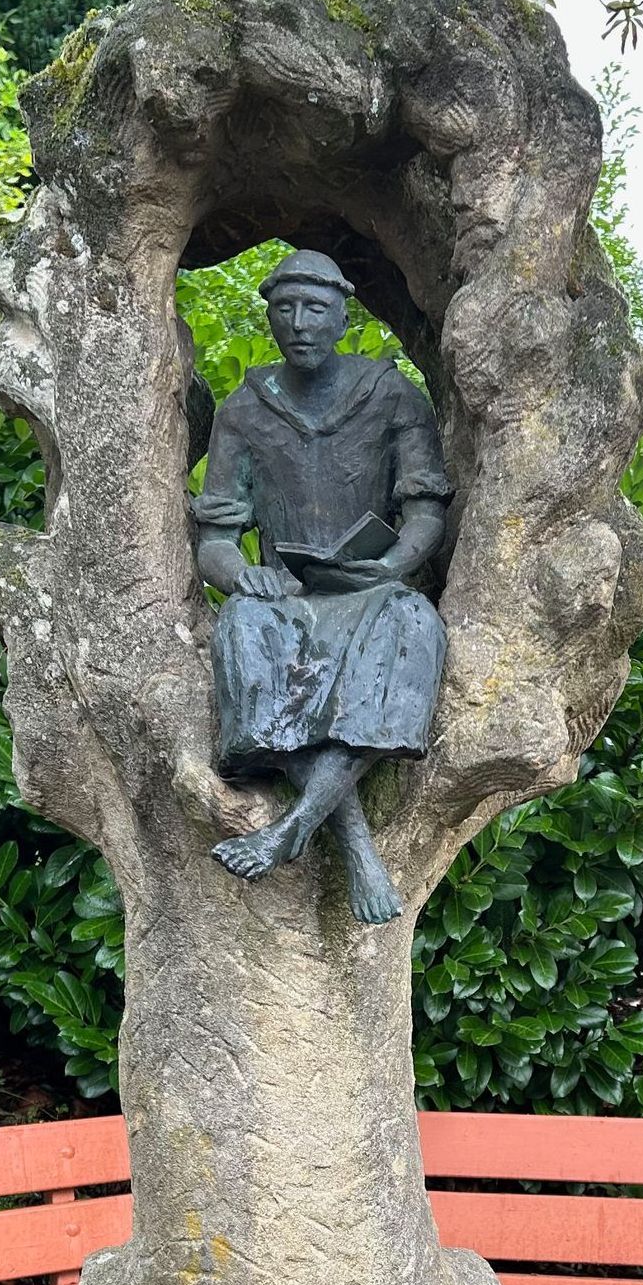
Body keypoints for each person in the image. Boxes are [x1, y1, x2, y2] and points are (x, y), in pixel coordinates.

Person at [191, 249, 451, 924]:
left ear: (343, 316)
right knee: (243, 628)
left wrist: (390, 566)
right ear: (270, 317)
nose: (299, 322)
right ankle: (355, 848)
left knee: (414, 625)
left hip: (370, 588)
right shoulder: (245, 410)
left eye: (315, 308)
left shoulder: (391, 395)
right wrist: (243, 574)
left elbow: (426, 511)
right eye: (285, 308)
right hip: (284, 597)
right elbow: (216, 537)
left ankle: (292, 830)